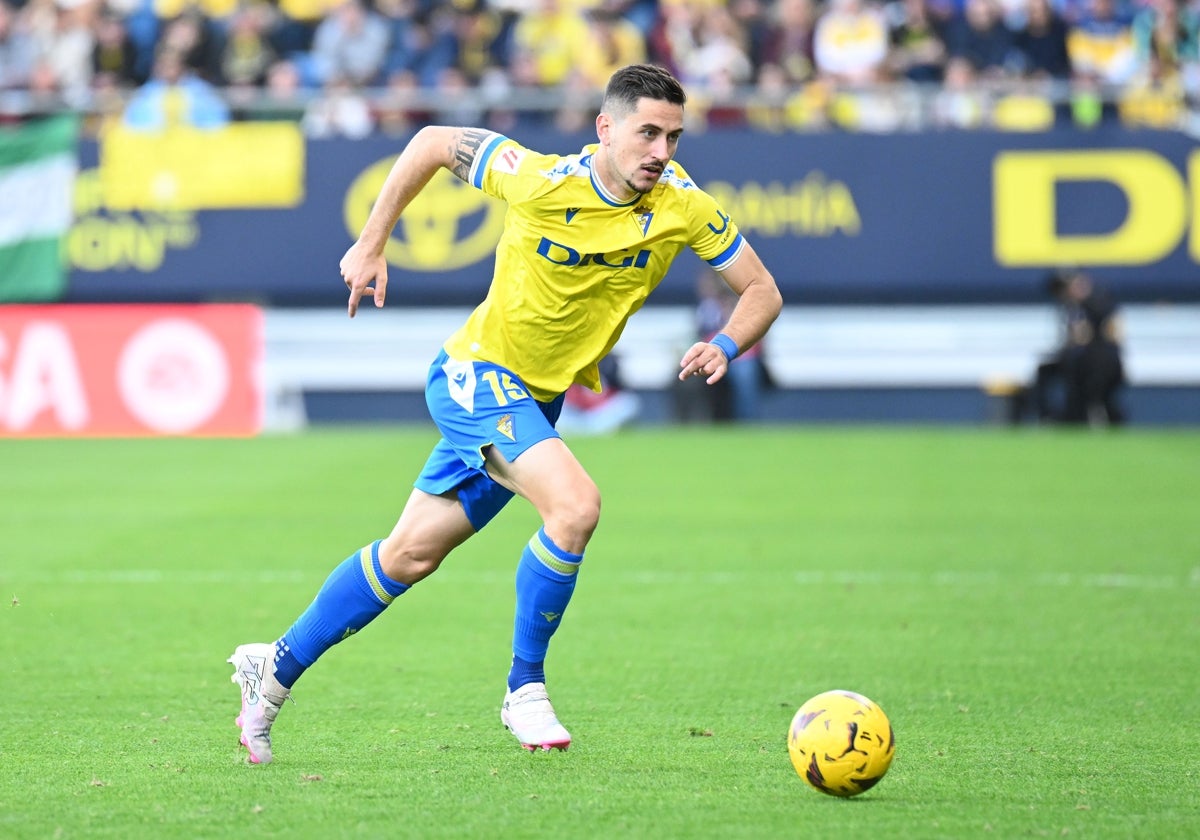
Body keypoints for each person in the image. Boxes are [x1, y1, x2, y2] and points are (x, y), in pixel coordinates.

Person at [227, 63, 783, 764]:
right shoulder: (540, 178)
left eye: (673, 136)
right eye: (648, 133)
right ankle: (524, 687)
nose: (662, 152)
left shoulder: (685, 205)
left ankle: (271, 671)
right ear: (605, 128)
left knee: (408, 555)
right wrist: (372, 242)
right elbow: (430, 140)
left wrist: (726, 342)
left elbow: (761, 290)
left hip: (534, 403)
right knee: (576, 507)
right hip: (474, 377)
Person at [1032, 267, 1125, 425]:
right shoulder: (1071, 306)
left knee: (1088, 383)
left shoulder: (1098, 301)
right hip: (1082, 360)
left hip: (1100, 362)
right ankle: (1050, 416)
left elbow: (1093, 335)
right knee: (1050, 369)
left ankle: (1084, 415)